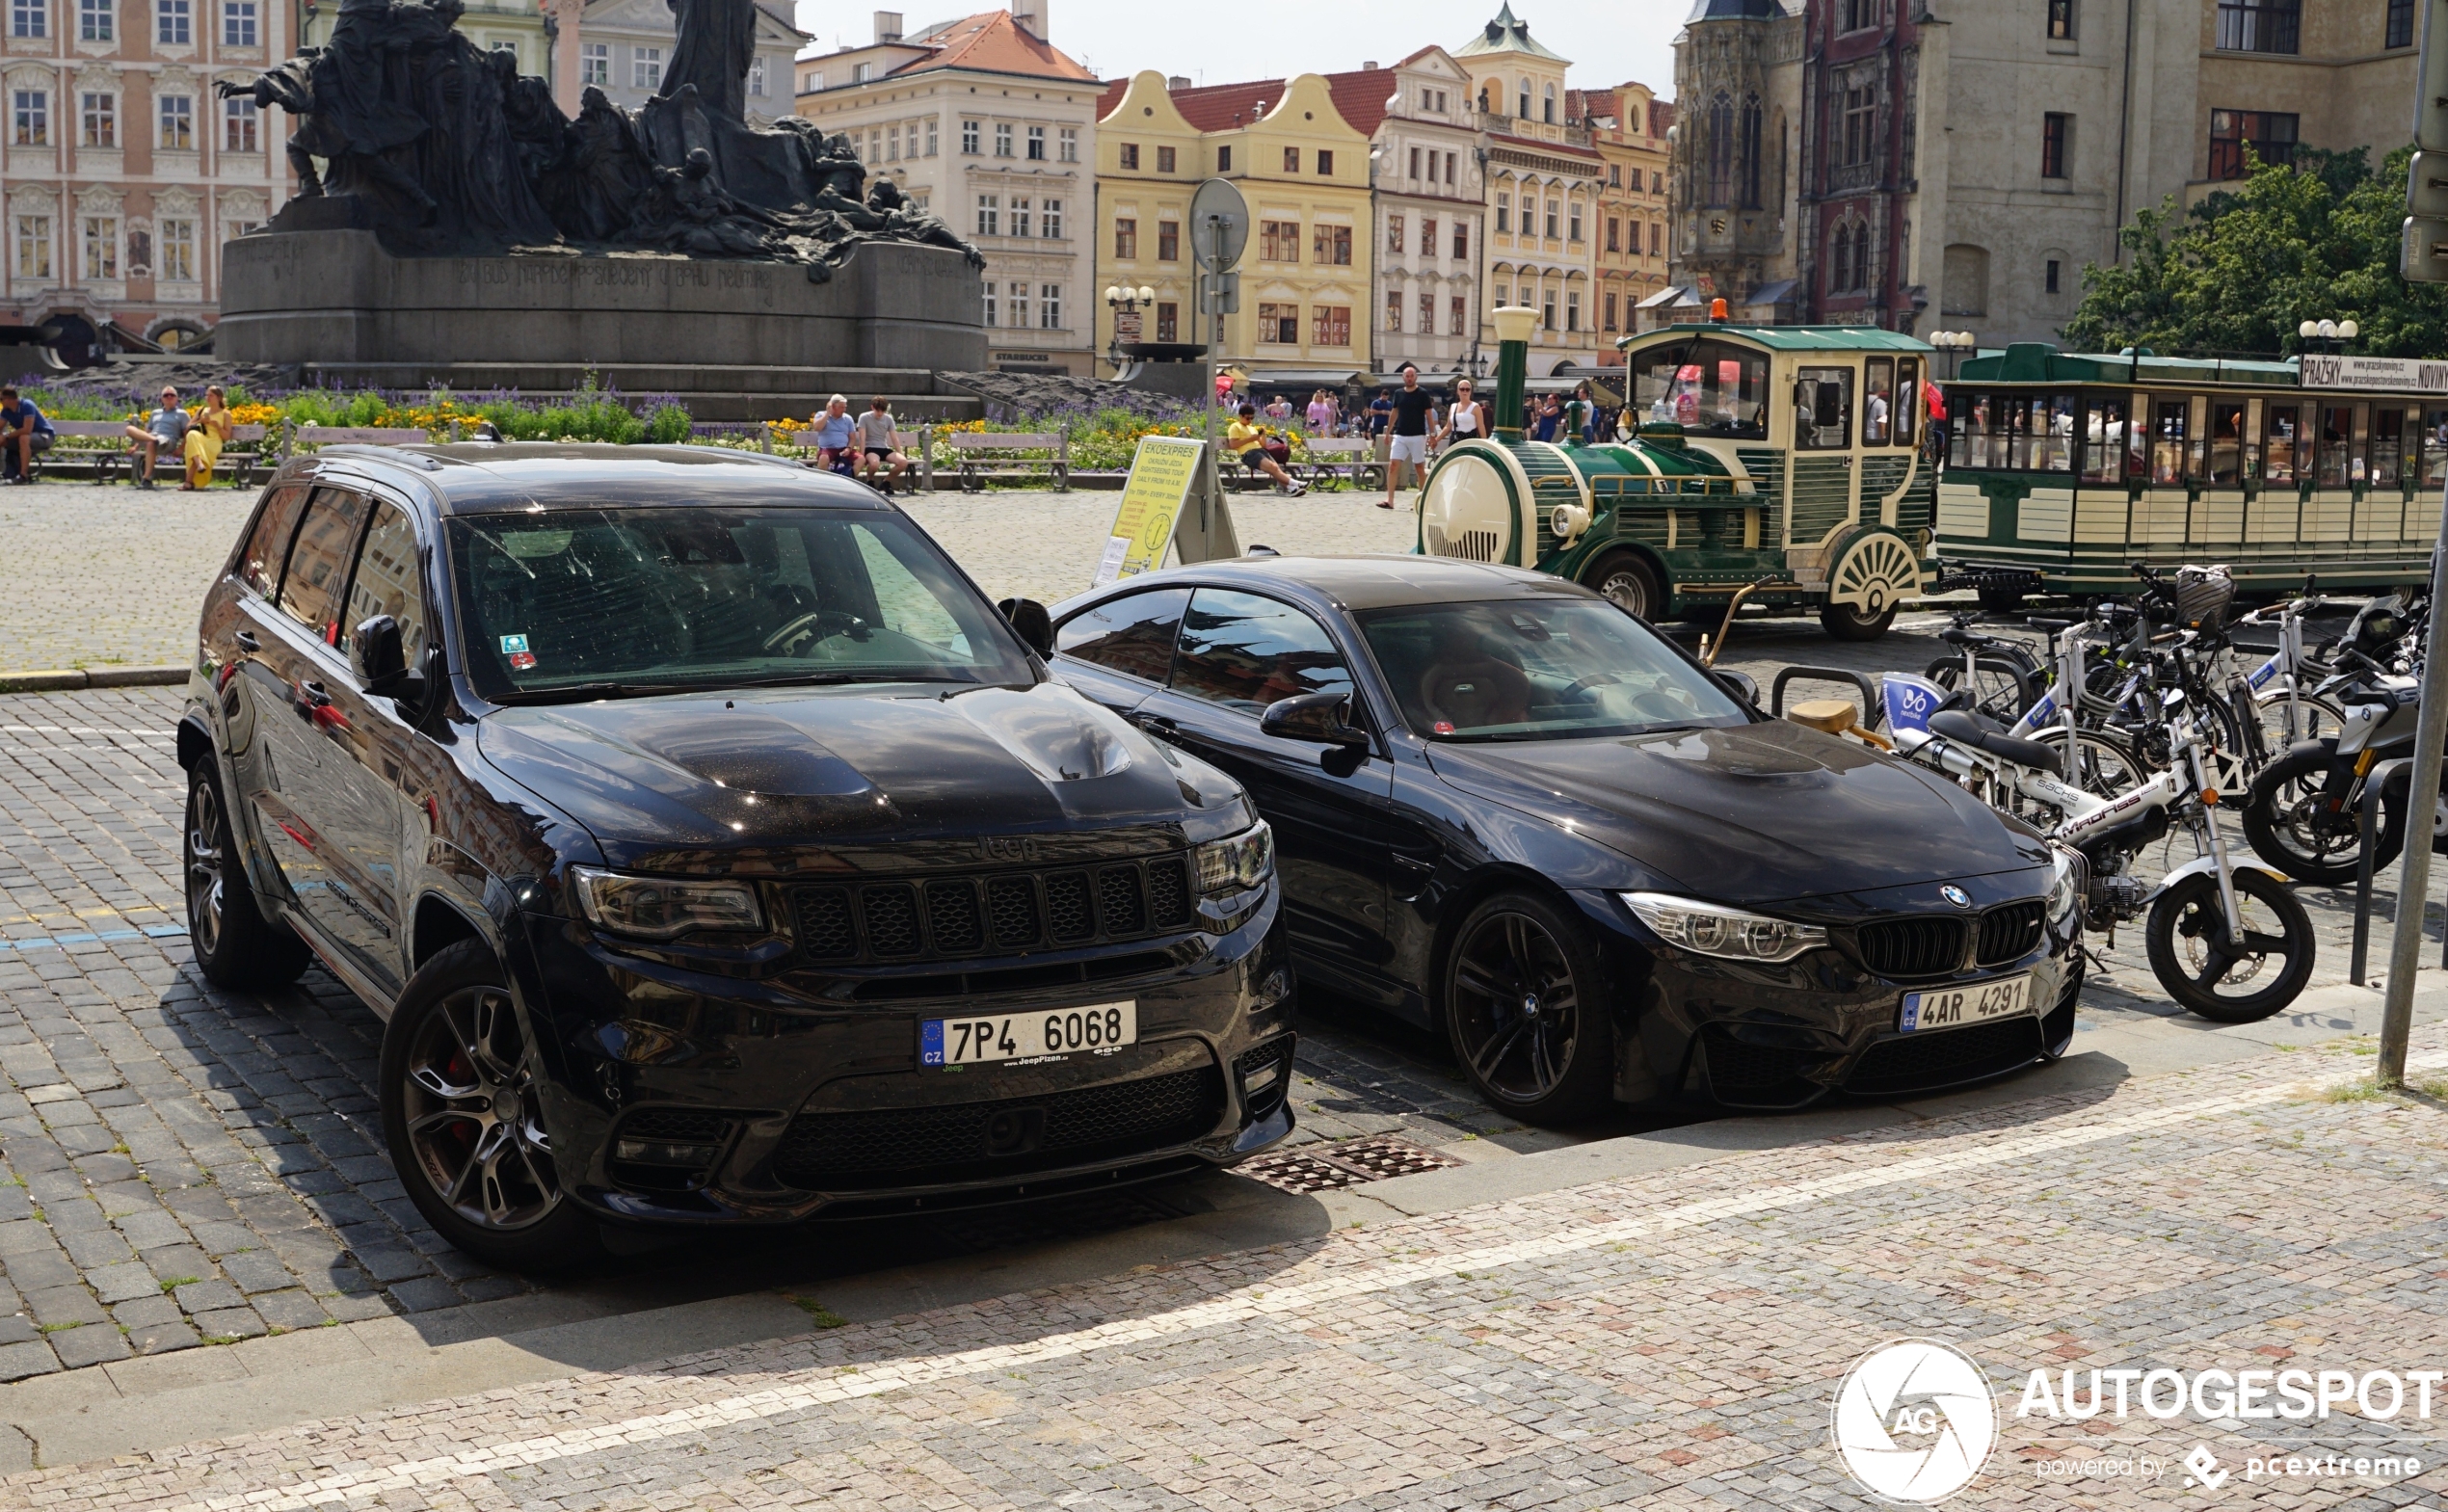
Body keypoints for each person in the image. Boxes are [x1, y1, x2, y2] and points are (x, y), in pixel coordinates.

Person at [1379, 364, 1435, 510]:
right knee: (1393, 466)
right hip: (1400, 435)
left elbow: (1429, 415)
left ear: (1415, 377)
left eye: (1411, 376)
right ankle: (1390, 500)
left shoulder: (1422, 393)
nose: (1409, 378)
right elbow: (1394, 412)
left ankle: (1421, 500)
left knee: (1419, 468)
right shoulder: (1398, 393)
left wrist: (1433, 435)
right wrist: (1388, 432)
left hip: (1418, 435)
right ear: (1403, 377)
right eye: (1407, 376)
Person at [1228, 403, 1307, 495]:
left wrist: (1263, 435)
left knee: (1275, 469)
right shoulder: (1235, 426)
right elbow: (1233, 445)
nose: (1250, 420)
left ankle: (1292, 489)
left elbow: (1263, 445)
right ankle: (1297, 483)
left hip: (1260, 451)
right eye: (1247, 418)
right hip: (1248, 453)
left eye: (1252, 418)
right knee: (1273, 467)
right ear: (1240, 416)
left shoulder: (1252, 428)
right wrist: (1250, 439)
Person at [125, 385, 188, 489]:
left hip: (168, 441)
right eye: (166, 395)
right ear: (162, 399)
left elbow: (187, 433)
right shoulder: (155, 413)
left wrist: (181, 448)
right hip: (153, 438)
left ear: (177, 398)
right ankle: (147, 479)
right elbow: (147, 432)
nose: (169, 397)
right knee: (129, 429)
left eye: (172, 395)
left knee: (151, 442)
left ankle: (146, 478)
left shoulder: (182, 414)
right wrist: (135, 447)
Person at [182, 385, 235, 490]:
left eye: (211, 395)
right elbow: (188, 427)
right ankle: (199, 464)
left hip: (214, 441)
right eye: (207, 395)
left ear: (219, 398)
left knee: (195, 450)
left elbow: (227, 436)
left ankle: (188, 481)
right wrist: (200, 421)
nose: (207, 398)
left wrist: (218, 427)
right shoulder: (202, 410)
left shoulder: (226, 414)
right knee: (192, 435)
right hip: (201, 438)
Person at [855, 396, 910, 494]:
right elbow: (862, 438)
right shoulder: (864, 417)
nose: (880, 413)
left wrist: (900, 453)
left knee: (903, 462)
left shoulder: (888, 419)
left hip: (883, 447)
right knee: (875, 463)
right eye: (877, 410)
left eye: (882, 411)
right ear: (872, 407)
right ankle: (870, 480)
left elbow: (894, 437)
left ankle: (886, 481)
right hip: (870, 448)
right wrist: (862, 456)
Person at [0, 386, 54, 485]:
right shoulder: (6, 411)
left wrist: (7, 435)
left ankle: (23, 475)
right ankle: (8, 472)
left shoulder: (26, 405)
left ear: (9, 399)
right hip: (25, 438)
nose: (1, 402)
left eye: (1, 399)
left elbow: (27, 429)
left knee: (24, 437)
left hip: (44, 436)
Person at [810, 394, 857, 474]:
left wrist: (849, 448)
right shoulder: (821, 415)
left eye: (845, 407)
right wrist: (828, 413)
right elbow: (817, 428)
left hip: (844, 449)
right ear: (833, 407)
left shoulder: (848, 418)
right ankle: (822, 483)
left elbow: (852, 438)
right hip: (827, 449)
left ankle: (847, 479)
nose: (844, 410)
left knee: (861, 459)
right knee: (823, 459)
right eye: (842, 407)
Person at [1438, 379, 1484, 450]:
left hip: (1470, 441)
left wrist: (1485, 443)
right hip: (1455, 441)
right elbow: (1448, 427)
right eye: (1462, 389)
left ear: (1470, 392)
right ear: (1458, 391)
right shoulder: (1453, 406)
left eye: (1467, 389)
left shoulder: (1475, 406)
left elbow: (1481, 426)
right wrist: (1436, 439)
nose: (1464, 391)